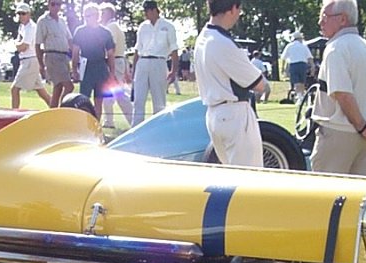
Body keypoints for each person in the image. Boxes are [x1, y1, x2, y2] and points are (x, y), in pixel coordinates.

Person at [309, 0, 366, 176]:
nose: (320, 22)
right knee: (358, 198)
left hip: (338, 135)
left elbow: (343, 95)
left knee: (326, 196)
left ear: (342, 19)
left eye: (324, 17)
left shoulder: (336, 49)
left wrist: (361, 127)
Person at [193, 0, 266, 167]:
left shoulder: (203, 37)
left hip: (215, 114)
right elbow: (259, 84)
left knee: (232, 178)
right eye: (239, 9)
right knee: (248, 180)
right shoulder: (222, 42)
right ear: (233, 8)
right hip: (234, 114)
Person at [131, 1, 179, 126]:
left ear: (153, 10)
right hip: (143, 62)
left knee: (159, 100)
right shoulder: (143, 27)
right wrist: (133, 70)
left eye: (146, 11)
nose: (145, 15)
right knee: (138, 100)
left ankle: (159, 128)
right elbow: (137, 49)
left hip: (159, 62)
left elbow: (174, 49)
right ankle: (135, 129)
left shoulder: (168, 26)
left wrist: (174, 71)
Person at [72, 3, 115, 119]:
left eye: (89, 15)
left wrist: (111, 73)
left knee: (99, 99)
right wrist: (74, 69)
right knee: (83, 98)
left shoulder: (106, 32)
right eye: (85, 16)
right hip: (86, 67)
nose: (86, 18)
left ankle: (97, 124)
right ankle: (82, 124)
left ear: (97, 16)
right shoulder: (80, 31)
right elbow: (75, 51)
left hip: (100, 67)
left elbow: (110, 54)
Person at [12, 2, 51, 108]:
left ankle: (14, 115)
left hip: (30, 60)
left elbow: (23, 46)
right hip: (28, 60)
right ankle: (56, 108)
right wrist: (18, 44)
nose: (21, 16)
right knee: (41, 91)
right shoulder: (22, 27)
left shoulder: (31, 28)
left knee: (14, 89)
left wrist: (16, 44)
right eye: (19, 13)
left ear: (29, 14)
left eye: (23, 13)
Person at [36, 0, 74, 108]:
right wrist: (41, 65)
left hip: (64, 56)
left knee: (58, 87)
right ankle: (62, 110)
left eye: (58, 4)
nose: (56, 7)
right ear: (48, 4)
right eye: (53, 4)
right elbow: (37, 44)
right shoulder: (43, 21)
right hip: (52, 55)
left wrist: (76, 55)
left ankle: (52, 113)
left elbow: (69, 39)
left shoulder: (62, 21)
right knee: (69, 86)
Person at [100, 2, 132, 128]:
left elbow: (109, 47)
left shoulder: (111, 27)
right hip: (116, 60)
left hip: (113, 60)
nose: (101, 15)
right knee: (113, 93)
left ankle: (129, 119)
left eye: (103, 13)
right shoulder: (113, 26)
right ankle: (109, 120)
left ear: (109, 13)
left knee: (117, 93)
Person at [281, 30, 313, 100]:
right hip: (303, 65)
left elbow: (283, 58)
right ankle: (301, 96)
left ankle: (299, 96)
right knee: (302, 82)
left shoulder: (289, 46)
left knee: (296, 81)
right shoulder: (304, 46)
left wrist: (283, 68)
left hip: (293, 65)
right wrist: (312, 67)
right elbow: (310, 58)